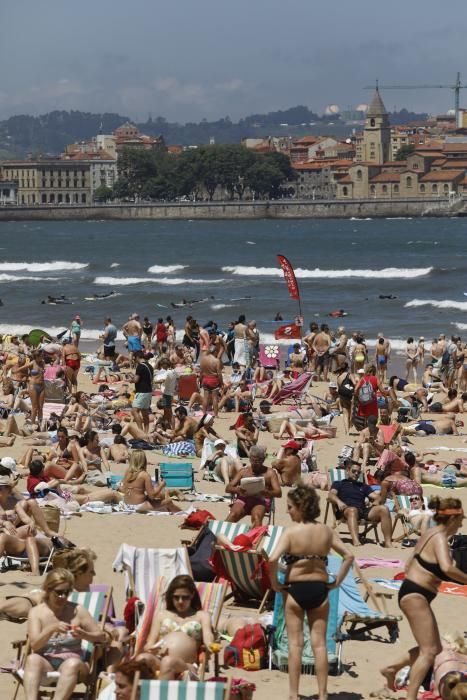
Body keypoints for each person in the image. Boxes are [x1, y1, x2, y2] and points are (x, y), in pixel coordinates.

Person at [269, 485, 354, 700]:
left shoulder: (291, 532)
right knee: (319, 644)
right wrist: (336, 582)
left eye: (290, 507)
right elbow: (349, 556)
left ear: (300, 507)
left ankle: (293, 694)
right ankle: (323, 694)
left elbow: (271, 559)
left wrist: (274, 584)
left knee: (295, 645)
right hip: (320, 589)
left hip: (295, 589)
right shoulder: (326, 531)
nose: (288, 511)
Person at [380, 497, 467, 700]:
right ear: (452, 519)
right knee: (429, 652)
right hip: (415, 595)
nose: (462, 524)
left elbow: (410, 563)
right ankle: (411, 696)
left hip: (413, 592)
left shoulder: (429, 533)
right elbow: (447, 568)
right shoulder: (439, 538)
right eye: (460, 520)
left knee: (434, 647)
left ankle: (391, 668)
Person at [23, 568, 109, 700]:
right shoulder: (36, 612)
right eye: (58, 592)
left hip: (74, 664)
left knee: (72, 664)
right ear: (47, 589)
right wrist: (50, 629)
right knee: (32, 659)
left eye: (66, 592)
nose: (63, 596)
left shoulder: (77, 610)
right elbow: (34, 645)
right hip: (46, 662)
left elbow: (102, 637)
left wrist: (84, 635)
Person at [141, 574, 214, 679]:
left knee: (168, 662)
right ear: (171, 596)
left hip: (187, 666)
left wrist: (211, 645)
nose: (180, 601)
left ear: (192, 595)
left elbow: (208, 638)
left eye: (185, 597)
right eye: (176, 597)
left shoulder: (202, 616)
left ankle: (160, 695)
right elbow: (149, 644)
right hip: (160, 660)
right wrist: (153, 649)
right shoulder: (162, 615)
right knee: (142, 658)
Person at [327, 460, 393, 547]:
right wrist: (339, 502)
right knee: (352, 510)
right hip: (346, 510)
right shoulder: (339, 484)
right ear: (347, 471)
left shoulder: (363, 486)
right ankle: (356, 541)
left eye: (358, 472)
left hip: (362, 511)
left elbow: (377, 497)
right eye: (354, 471)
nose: (356, 474)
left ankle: (388, 543)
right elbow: (331, 495)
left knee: (384, 509)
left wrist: (376, 503)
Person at [226, 445, 282, 526]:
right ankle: (220, 537)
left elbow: (278, 492)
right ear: (250, 459)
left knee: (256, 518)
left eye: (257, 461)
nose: (255, 463)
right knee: (233, 515)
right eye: (253, 460)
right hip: (244, 499)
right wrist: (237, 490)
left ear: (263, 460)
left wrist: (268, 492)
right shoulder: (244, 471)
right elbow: (228, 488)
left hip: (261, 500)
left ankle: (255, 538)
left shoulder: (270, 473)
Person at [131, 351, 154, 433]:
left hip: (141, 391)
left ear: (137, 357)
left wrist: (130, 380)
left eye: (134, 358)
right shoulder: (150, 366)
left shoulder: (140, 366)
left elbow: (136, 380)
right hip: (148, 391)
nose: (134, 360)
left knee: (134, 411)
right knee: (145, 412)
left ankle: (140, 431)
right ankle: (146, 431)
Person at [199, 344, 223, 417]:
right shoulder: (216, 361)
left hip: (205, 379)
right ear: (215, 351)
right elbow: (219, 373)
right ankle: (216, 414)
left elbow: (201, 372)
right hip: (213, 380)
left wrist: (200, 380)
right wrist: (221, 383)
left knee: (205, 398)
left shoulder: (203, 359)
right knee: (214, 398)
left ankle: (204, 413)